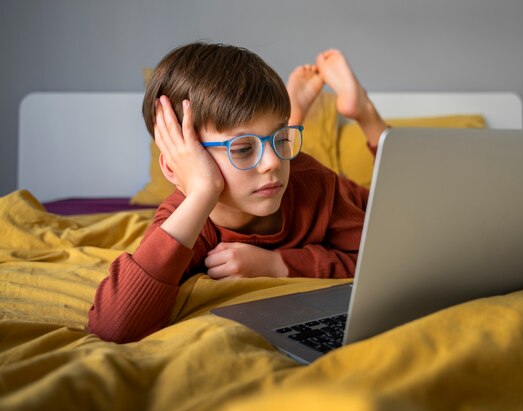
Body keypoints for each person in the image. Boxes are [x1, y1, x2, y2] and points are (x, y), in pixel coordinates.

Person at [88, 43, 387, 343]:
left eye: (282, 138)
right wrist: (203, 192)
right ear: (179, 167)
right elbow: (113, 327)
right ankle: (289, 118)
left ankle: (362, 113)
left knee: (401, 199)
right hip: (234, 185)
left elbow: (384, 259)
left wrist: (277, 265)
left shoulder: (314, 181)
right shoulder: (186, 217)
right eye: (242, 148)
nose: (273, 162)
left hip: (354, 197)